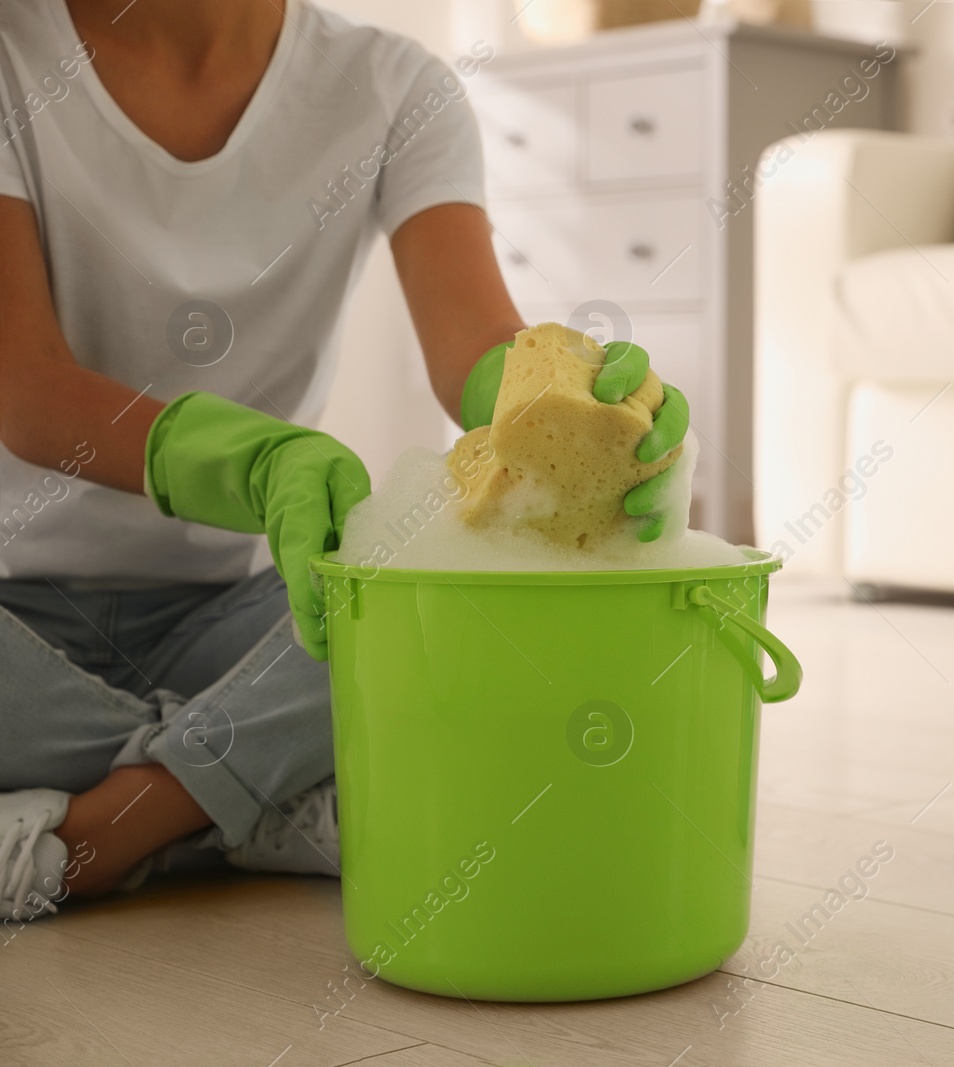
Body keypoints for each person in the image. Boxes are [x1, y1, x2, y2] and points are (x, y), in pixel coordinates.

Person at [0, 0, 686, 922]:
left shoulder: (397, 90)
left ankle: (95, 837)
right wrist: (254, 461)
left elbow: (477, 348)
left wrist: (570, 399)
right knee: (423, 706)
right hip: (20, 611)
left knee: (462, 608)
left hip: (245, 609)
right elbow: (29, 391)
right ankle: (239, 800)